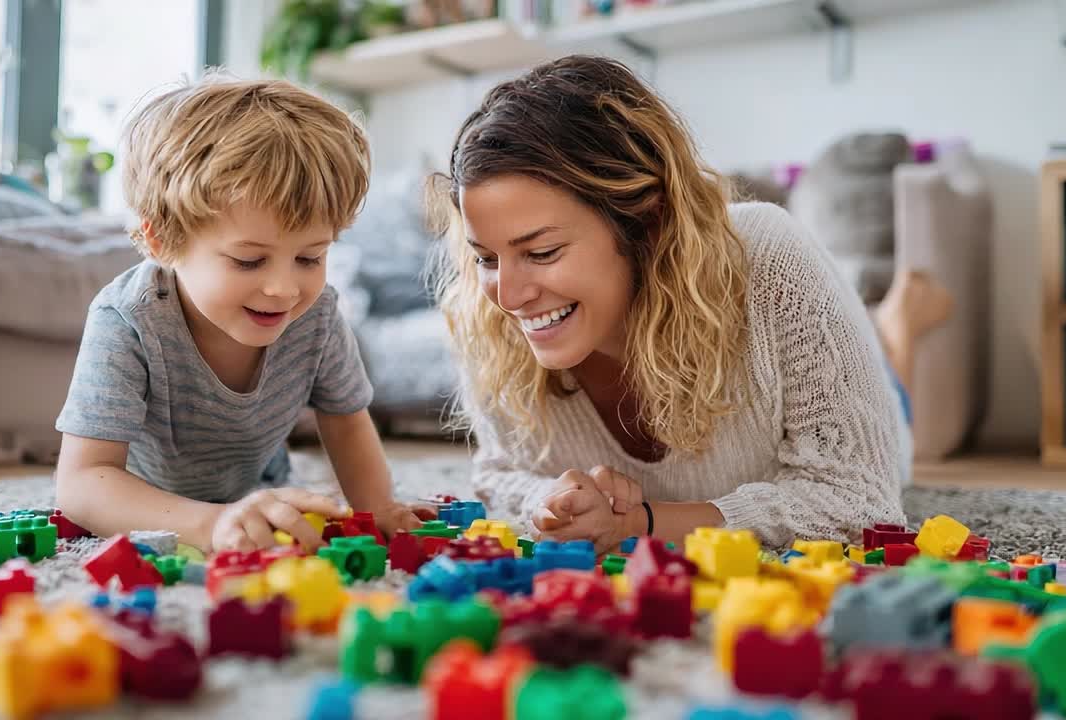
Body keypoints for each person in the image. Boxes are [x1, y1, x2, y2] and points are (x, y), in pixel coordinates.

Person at [428, 55, 953, 553]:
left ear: (647, 222)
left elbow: (860, 501)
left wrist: (645, 523)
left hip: (863, 398)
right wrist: (548, 502)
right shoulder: (481, 309)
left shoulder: (768, 257)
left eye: (541, 252)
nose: (509, 295)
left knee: (891, 406)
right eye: (487, 257)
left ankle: (897, 327)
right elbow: (497, 475)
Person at [54, 75, 428, 554]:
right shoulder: (128, 320)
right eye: (249, 261)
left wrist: (376, 509)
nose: (284, 289)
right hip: (141, 505)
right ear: (160, 240)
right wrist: (213, 524)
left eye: (310, 258)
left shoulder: (317, 316)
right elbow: (83, 483)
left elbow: (347, 421)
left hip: (255, 494)